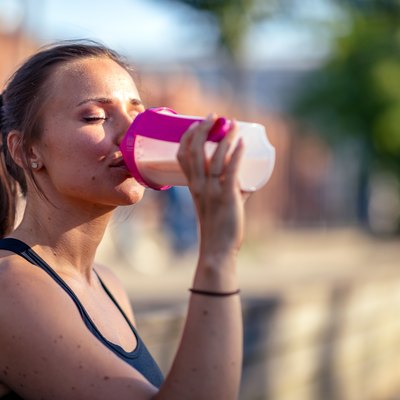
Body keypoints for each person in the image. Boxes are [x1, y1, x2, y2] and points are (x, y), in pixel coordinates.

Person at [0, 40, 247, 400]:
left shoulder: (108, 285)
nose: (133, 134)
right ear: (26, 150)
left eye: (138, 115)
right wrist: (217, 255)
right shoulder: (9, 288)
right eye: (95, 117)